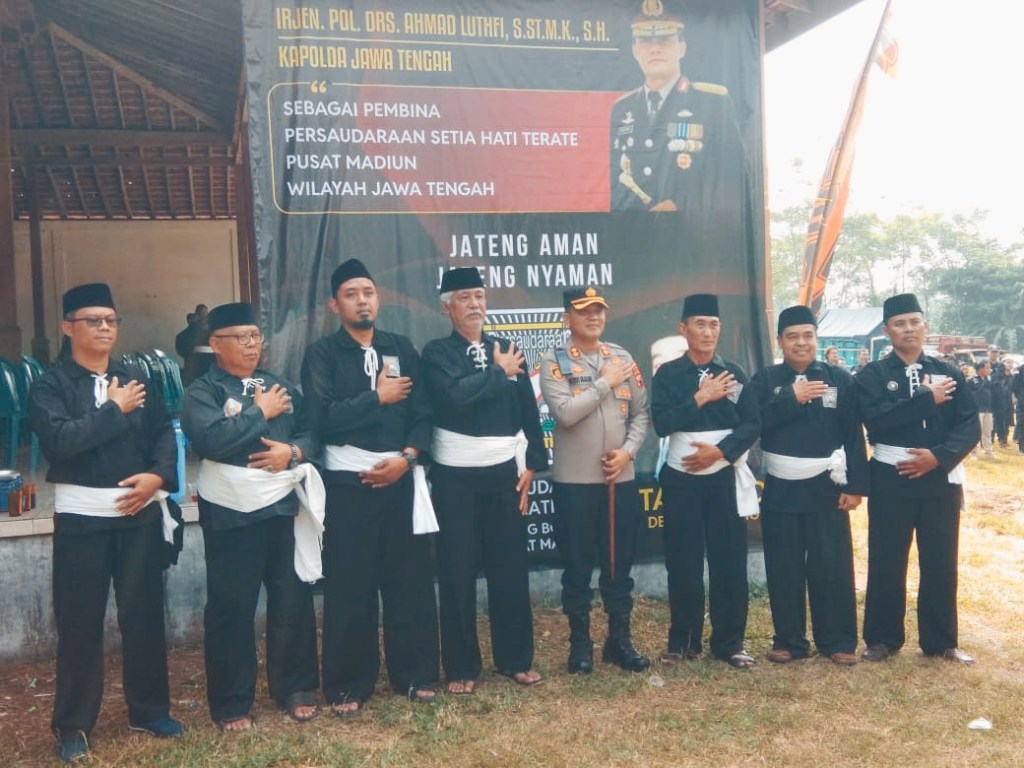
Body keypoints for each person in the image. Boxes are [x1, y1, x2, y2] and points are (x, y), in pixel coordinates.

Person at [28, 283, 183, 763]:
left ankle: (149, 708)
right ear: (68, 327)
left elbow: (163, 432)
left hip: (137, 512)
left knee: (143, 615)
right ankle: (73, 724)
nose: (104, 328)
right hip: (82, 518)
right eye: (93, 320)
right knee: (79, 623)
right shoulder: (51, 385)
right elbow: (62, 443)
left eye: (111, 320)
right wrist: (114, 410)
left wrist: (157, 476)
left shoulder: (135, 376)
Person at [301, 258, 440, 714]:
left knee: (411, 581)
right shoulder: (322, 355)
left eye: (368, 292)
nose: (362, 300)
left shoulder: (401, 347)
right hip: (348, 485)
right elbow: (321, 418)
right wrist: (375, 398)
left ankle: (415, 674)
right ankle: (347, 685)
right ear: (334, 304)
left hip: (401, 478)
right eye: (351, 294)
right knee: (351, 586)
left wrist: (408, 459)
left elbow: (424, 414)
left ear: (378, 299)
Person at [181, 302, 322, 731]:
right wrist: (259, 412)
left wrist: (293, 452)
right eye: (240, 338)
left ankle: (294, 686)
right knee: (231, 605)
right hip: (230, 509)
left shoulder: (279, 385)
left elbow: (313, 433)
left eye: (256, 337)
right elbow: (210, 441)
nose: (250, 345)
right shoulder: (202, 392)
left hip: (282, 504)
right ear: (215, 344)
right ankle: (231, 701)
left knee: (292, 596)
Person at [421, 267, 548, 693]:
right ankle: (461, 667)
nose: (474, 304)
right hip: (456, 479)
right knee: (457, 571)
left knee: (509, 568)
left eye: (479, 295)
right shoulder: (436, 354)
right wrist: (497, 373)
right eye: (464, 297)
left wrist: (532, 464)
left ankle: (515, 659)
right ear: (446, 307)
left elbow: (529, 412)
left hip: (504, 475)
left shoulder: (508, 348)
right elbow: (453, 397)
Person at [855, 293, 979, 664]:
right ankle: (881, 639)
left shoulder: (949, 372)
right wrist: (925, 399)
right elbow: (876, 421)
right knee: (887, 558)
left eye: (914, 321)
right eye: (899, 323)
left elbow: (969, 423)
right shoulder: (873, 375)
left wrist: (938, 457)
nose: (908, 329)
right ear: (887, 331)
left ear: (924, 325)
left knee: (941, 559)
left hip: (938, 478)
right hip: (890, 476)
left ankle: (941, 641)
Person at [538, 287, 651, 675]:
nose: (593, 317)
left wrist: (628, 452)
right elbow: (566, 414)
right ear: (567, 317)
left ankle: (619, 641)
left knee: (619, 565)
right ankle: (580, 644)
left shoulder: (621, 357)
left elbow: (641, 414)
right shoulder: (553, 360)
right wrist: (603, 382)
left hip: (620, 479)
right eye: (584, 311)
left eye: (599, 310)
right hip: (575, 483)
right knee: (578, 565)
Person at [748, 306, 869, 666]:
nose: (801, 343)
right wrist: (791, 398)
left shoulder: (839, 379)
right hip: (782, 488)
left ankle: (838, 641)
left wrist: (857, 486)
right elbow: (752, 425)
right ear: (780, 341)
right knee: (783, 565)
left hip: (827, 487)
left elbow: (853, 435)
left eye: (807, 335)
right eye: (792, 336)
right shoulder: (766, 380)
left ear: (816, 338)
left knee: (831, 564)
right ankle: (789, 641)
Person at [650, 294, 760, 669]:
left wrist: (721, 452)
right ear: (684, 330)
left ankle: (730, 642)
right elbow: (662, 424)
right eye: (700, 324)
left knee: (730, 559)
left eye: (714, 324)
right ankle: (683, 640)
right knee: (683, 560)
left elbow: (752, 422)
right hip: (682, 480)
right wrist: (699, 398)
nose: (708, 331)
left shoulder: (734, 373)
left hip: (723, 477)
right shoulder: (668, 374)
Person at [609, 1, 740, 212]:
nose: (655, 48)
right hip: (634, 236)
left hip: (693, 236)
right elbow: (615, 183)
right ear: (635, 50)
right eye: (645, 40)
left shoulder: (713, 103)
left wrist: (682, 205)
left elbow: (734, 179)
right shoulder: (622, 110)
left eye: (664, 38)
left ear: (682, 47)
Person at [174, 303, 212, 386]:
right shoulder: (190, 331)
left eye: (205, 315)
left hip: (210, 370)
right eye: (201, 315)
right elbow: (182, 347)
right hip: (194, 372)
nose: (204, 318)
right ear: (196, 316)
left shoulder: (212, 331)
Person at [967, 360, 994, 459]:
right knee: (977, 431)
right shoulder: (972, 380)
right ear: (981, 369)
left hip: (988, 409)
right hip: (978, 409)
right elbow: (967, 395)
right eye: (987, 367)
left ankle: (988, 451)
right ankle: (973, 452)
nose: (989, 370)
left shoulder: (989, 379)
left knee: (988, 431)